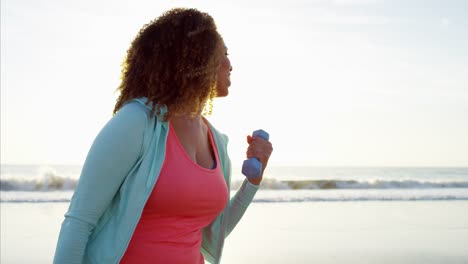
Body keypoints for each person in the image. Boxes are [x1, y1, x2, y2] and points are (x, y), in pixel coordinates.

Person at [53, 7, 273, 264]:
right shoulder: (136, 122)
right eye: (223, 54)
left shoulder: (216, 139)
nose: (230, 65)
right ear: (195, 60)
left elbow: (214, 233)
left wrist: (253, 182)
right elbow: (79, 222)